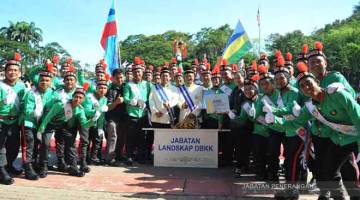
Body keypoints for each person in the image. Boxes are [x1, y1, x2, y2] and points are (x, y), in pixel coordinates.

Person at [266, 62, 360, 200]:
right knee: (328, 172)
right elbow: (294, 124)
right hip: (338, 141)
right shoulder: (310, 107)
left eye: (308, 83)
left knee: (350, 174)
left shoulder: (338, 94)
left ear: (316, 81)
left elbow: (357, 118)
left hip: (354, 138)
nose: (306, 87)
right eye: (302, 86)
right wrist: (274, 120)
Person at [37, 86, 93, 177]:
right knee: (46, 143)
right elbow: (49, 116)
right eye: (76, 97)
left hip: (62, 125)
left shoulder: (80, 110)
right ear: (72, 97)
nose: (77, 99)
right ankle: (43, 167)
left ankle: (74, 167)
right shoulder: (61, 104)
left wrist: (93, 120)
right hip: (49, 123)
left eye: (80, 98)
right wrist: (41, 127)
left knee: (71, 144)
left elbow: (84, 124)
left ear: (83, 100)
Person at [21, 63, 54, 180]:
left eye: (47, 80)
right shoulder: (31, 93)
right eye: (42, 80)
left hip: (45, 123)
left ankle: (43, 165)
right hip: (30, 122)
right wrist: (35, 112)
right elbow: (28, 109)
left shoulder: (53, 93)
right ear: (38, 81)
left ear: (51, 82)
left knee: (45, 144)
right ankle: (28, 167)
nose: (44, 82)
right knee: (30, 144)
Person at [0, 53, 26, 185]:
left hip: (15, 122)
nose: (12, 72)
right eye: (9, 70)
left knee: (14, 147)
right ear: (5, 72)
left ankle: (9, 165)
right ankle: (1, 171)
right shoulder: (0, 86)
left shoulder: (22, 86)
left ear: (19, 72)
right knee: (1, 147)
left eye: (15, 70)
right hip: (1, 121)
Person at [122, 58, 151, 165]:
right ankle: (129, 156)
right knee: (130, 137)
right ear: (132, 73)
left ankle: (140, 156)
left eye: (139, 71)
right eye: (135, 72)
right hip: (131, 114)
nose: (137, 73)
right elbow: (125, 98)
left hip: (143, 114)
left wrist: (145, 102)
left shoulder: (147, 84)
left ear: (142, 72)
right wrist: (132, 101)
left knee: (142, 137)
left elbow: (150, 97)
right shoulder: (128, 85)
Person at [81, 80, 109, 169]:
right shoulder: (89, 97)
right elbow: (87, 111)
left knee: (97, 140)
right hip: (87, 123)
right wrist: (98, 110)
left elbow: (102, 116)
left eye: (104, 88)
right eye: (100, 88)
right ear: (96, 89)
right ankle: (84, 159)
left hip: (97, 124)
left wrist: (100, 127)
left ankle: (93, 158)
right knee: (86, 142)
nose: (102, 90)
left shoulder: (104, 99)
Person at [105, 69, 127, 165]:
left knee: (122, 137)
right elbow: (108, 107)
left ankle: (119, 155)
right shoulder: (110, 90)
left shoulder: (126, 87)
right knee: (113, 136)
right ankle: (110, 158)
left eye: (121, 77)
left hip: (123, 117)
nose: (120, 80)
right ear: (113, 78)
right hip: (112, 117)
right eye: (117, 78)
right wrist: (116, 102)